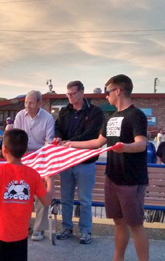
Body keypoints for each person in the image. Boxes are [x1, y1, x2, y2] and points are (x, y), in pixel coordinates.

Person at [64, 74, 149, 261]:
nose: (105, 96)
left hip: (131, 180)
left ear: (118, 91)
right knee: (119, 223)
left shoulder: (136, 115)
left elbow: (141, 144)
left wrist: (124, 147)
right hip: (112, 178)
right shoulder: (111, 118)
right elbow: (97, 142)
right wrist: (70, 143)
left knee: (135, 225)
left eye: (107, 91)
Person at [0, 129, 54, 261]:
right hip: (20, 236)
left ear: (4, 149)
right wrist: (50, 181)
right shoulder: (33, 174)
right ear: (25, 150)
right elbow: (47, 200)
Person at [53, 80, 104, 244]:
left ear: (82, 93)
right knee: (65, 198)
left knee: (84, 200)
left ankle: (85, 231)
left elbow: (91, 135)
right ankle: (66, 227)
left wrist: (68, 142)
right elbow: (57, 127)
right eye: (67, 94)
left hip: (85, 162)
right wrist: (58, 137)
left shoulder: (95, 112)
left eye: (72, 93)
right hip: (66, 162)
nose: (69, 96)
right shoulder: (64, 111)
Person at [13, 90, 54, 241]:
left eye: (31, 103)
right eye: (26, 102)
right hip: (23, 157)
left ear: (39, 103)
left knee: (41, 194)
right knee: (21, 193)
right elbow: (16, 137)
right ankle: (24, 225)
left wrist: (43, 163)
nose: (27, 106)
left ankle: (39, 229)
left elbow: (48, 142)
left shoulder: (48, 118)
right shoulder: (19, 116)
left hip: (41, 157)